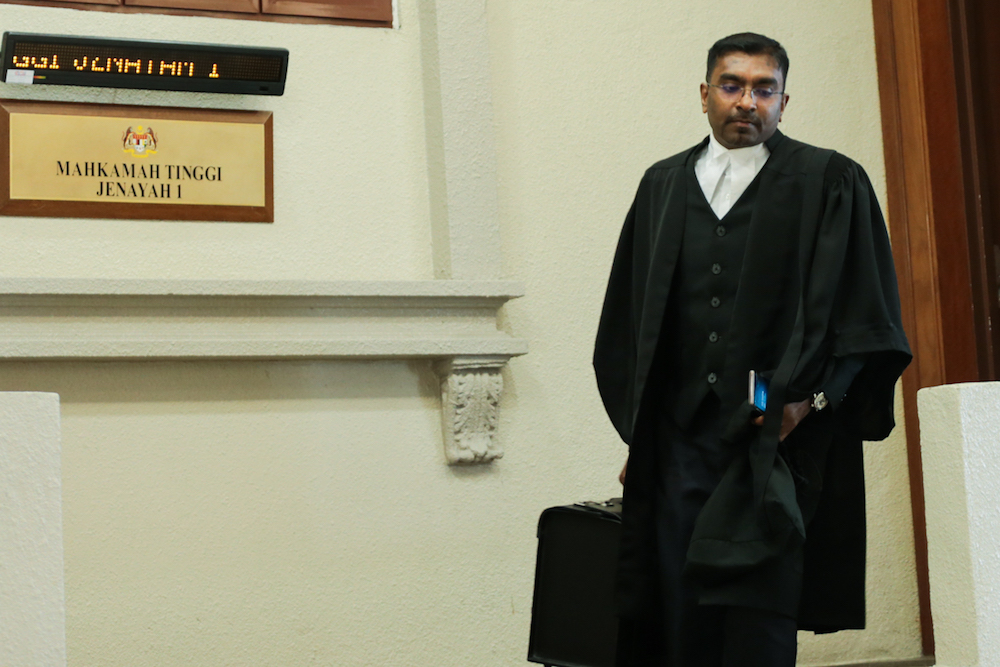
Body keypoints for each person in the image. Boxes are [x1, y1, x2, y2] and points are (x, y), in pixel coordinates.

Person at [593, 33, 911, 666]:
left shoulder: (830, 180)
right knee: (677, 613)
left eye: (764, 89)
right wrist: (641, 435)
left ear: (784, 102)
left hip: (775, 442)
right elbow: (628, 322)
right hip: (679, 441)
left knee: (759, 620)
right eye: (733, 85)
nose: (748, 101)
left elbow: (866, 317)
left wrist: (810, 402)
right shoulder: (661, 186)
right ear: (705, 94)